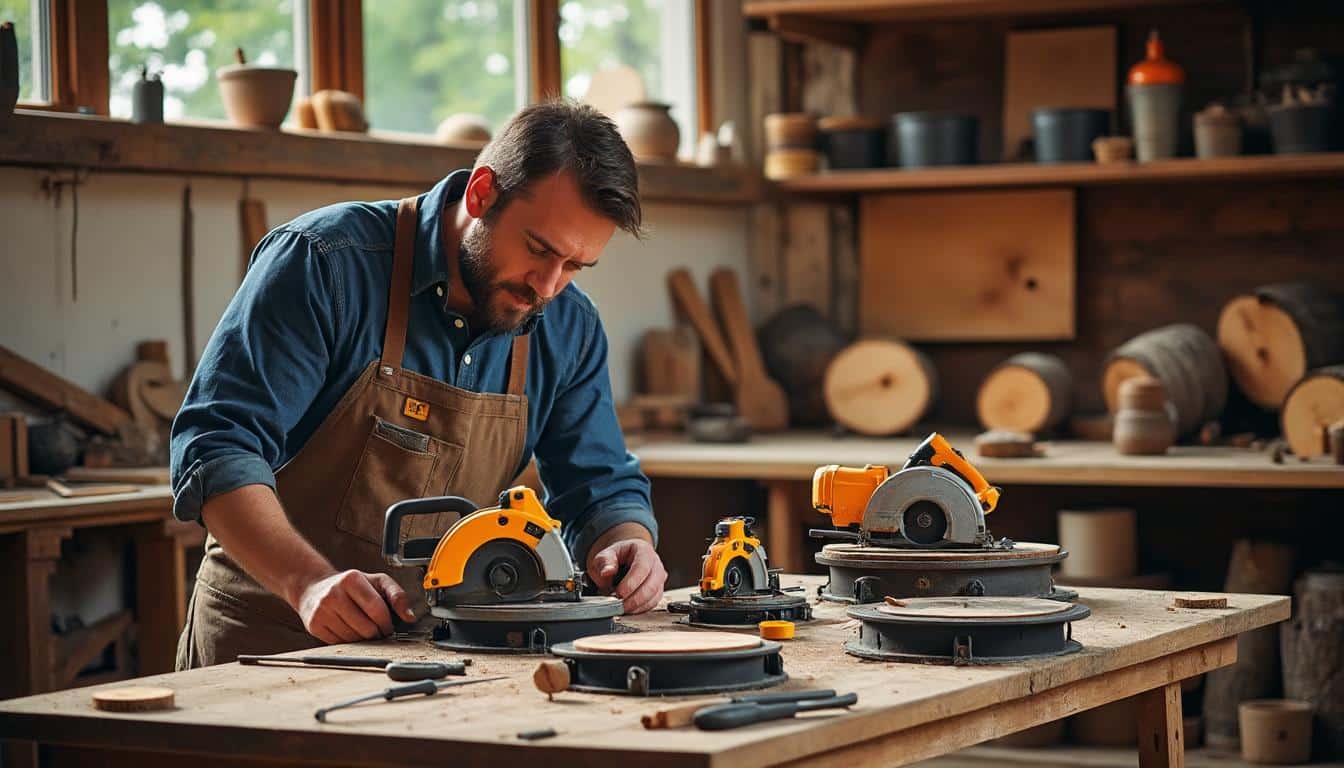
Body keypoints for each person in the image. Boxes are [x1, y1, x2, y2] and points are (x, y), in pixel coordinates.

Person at [170, 100, 667, 668]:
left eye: (576, 265)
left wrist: (627, 543)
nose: (548, 287)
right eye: (538, 250)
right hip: (267, 642)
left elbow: (599, 487)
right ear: (482, 193)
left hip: (438, 658)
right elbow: (217, 448)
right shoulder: (325, 263)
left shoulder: (567, 325)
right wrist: (307, 584)